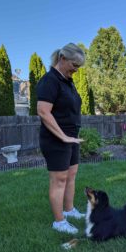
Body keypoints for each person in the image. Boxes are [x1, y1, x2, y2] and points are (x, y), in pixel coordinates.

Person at [36, 43, 85, 234]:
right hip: (56, 139)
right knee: (59, 180)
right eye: (74, 65)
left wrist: (71, 137)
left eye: (78, 67)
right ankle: (59, 222)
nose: (76, 70)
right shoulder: (50, 80)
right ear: (62, 59)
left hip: (71, 137)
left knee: (71, 176)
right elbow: (43, 111)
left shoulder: (67, 81)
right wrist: (64, 137)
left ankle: (69, 210)